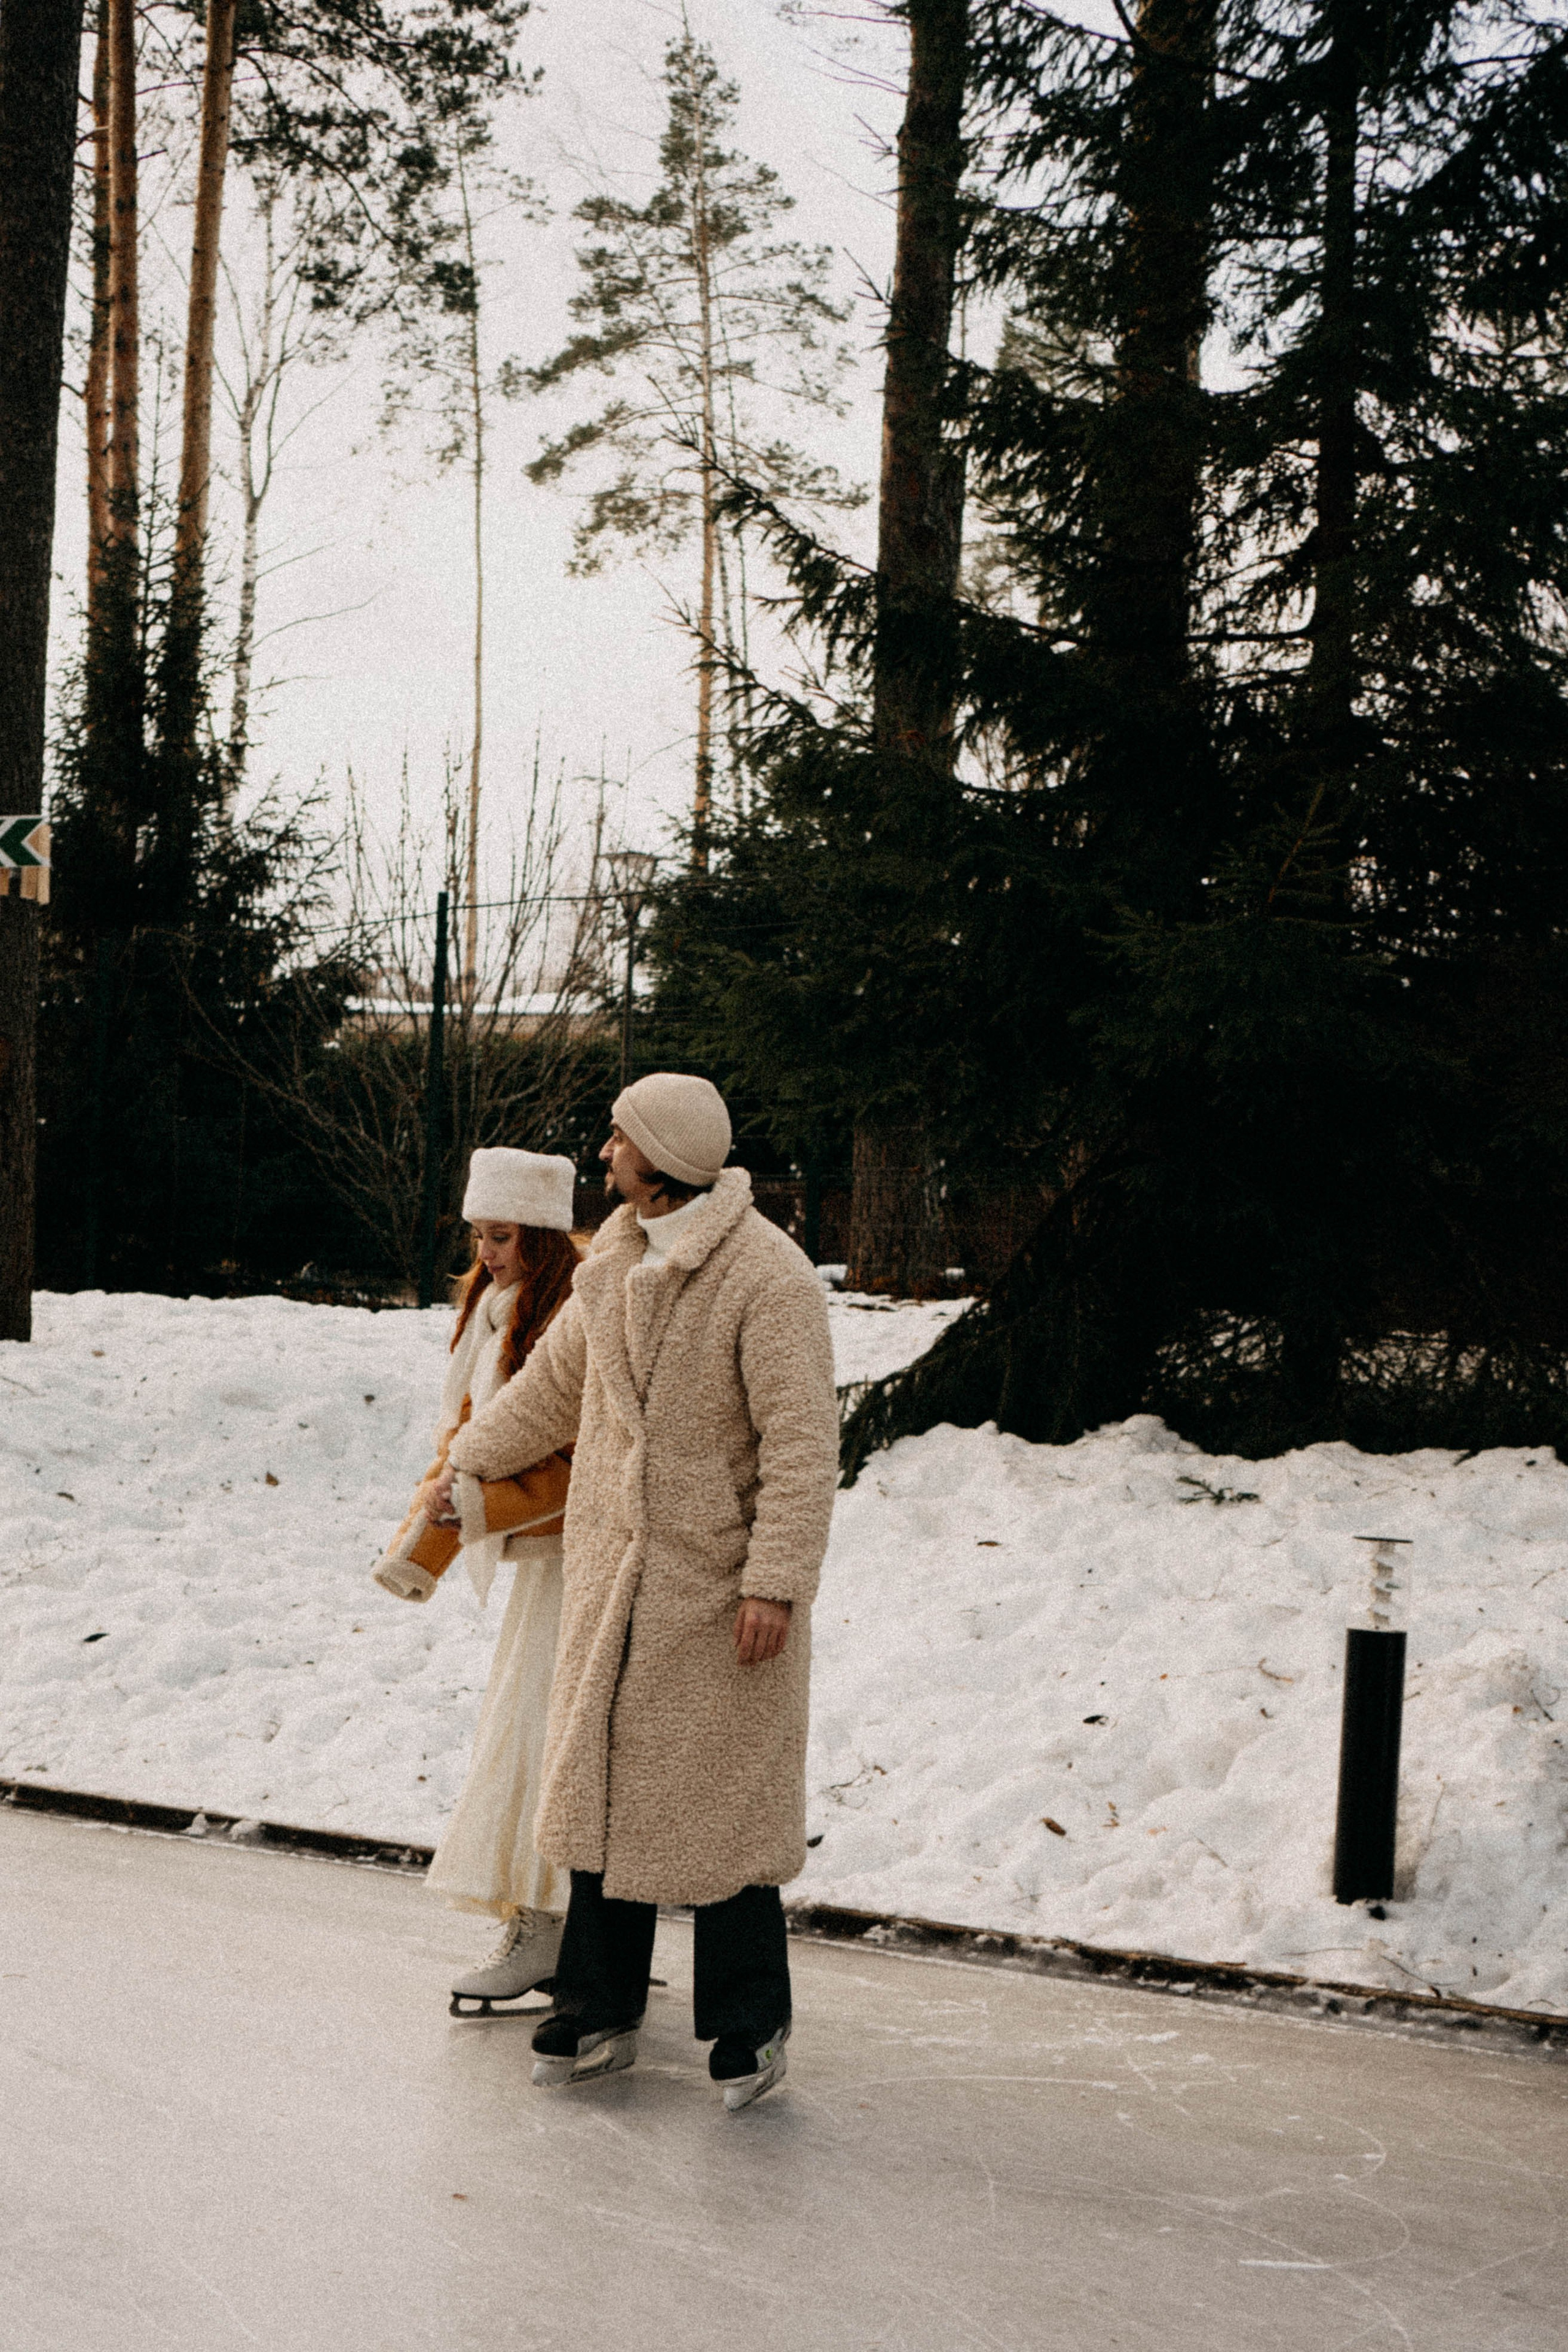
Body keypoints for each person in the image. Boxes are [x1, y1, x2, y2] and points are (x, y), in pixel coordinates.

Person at [428, 1072, 839, 2110]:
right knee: (603, 1798)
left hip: (716, 1591)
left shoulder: (768, 1278)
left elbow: (803, 1450)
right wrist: (464, 1468)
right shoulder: (613, 1260)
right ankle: (595, 2005)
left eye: (617, 1140)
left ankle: (751, 2026)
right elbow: (551, 1391)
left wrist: (776, 1585)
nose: (604, 1153)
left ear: (658, 1158)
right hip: (614, 1581)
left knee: (723, 1812)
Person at [374, 1145, 582, 2015]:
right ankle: (563, 1925)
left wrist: (477, 1507)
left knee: (545, 1739)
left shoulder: (569, 1312)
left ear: (539, 1235)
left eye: (503, 1236)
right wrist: (423, 1537)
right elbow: (461, 1436)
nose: (487, 1252)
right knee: (531, 1730)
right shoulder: (493, 1310)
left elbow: (574, 1456)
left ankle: (549, 1925)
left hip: (576, 1555)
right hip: (536, 1562)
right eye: (479, 1235)